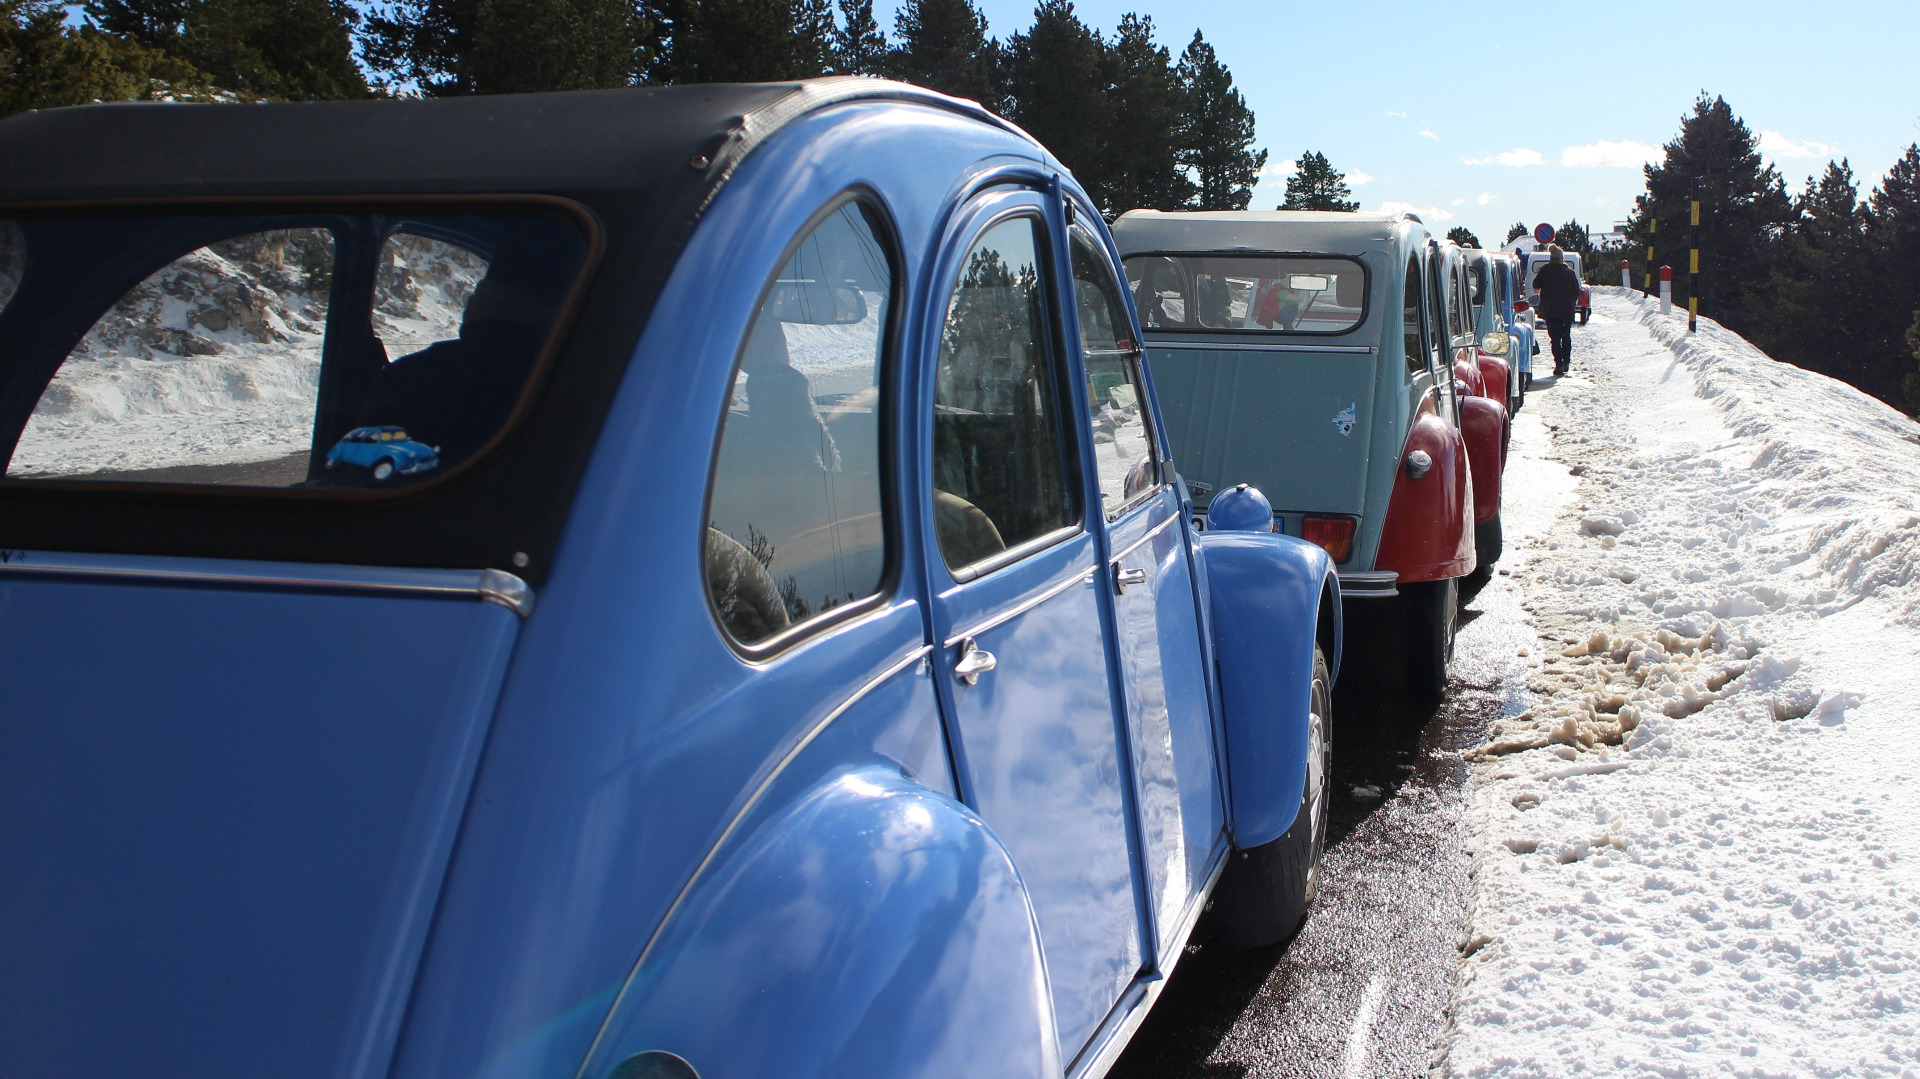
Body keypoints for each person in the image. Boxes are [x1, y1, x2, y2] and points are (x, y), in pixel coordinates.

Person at [1533, 244, 1581, 378]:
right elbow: (1576, 291)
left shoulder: (1545, 270)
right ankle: (1566, 362)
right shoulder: (1569, 272)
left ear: (1551, 257)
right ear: (1562, 258)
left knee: (1555, 339)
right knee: (1566, 336)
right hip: (1566, 312)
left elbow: (1536, 284)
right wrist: (1570, 302)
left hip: (1551, 311)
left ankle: (1558, 364)